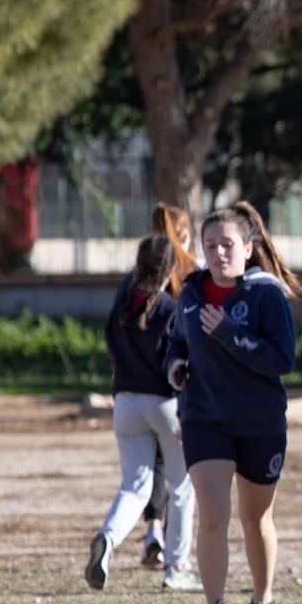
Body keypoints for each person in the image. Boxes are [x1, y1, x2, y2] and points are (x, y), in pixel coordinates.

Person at [164, 202, 300, 604]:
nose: (218, 253)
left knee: (255, 518)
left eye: (227, 244)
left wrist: (229, 334)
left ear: (247, 248)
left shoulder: (266, 294)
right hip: (204, 419)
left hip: (260, 422)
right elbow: (175, 341)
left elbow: (282, 359)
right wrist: (175, 364)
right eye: (210, 245)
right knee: (213, 514)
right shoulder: (191, 293)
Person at [86, 234, 200, 593]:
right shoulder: (169, 307)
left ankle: (108, 538)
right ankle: (177, 565)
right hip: (164, 403)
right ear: (171, 269)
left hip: (126, 403)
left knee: (134, 486)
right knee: (181, 484)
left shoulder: (124, 300)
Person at [137, 203, 197, 569]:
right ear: (186, 234)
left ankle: (152, 532)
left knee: (154, 465)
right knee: (183, 474)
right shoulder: (191, 275)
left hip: (140, 383)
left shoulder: (144, 272)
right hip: (177, 385)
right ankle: (177, 558)